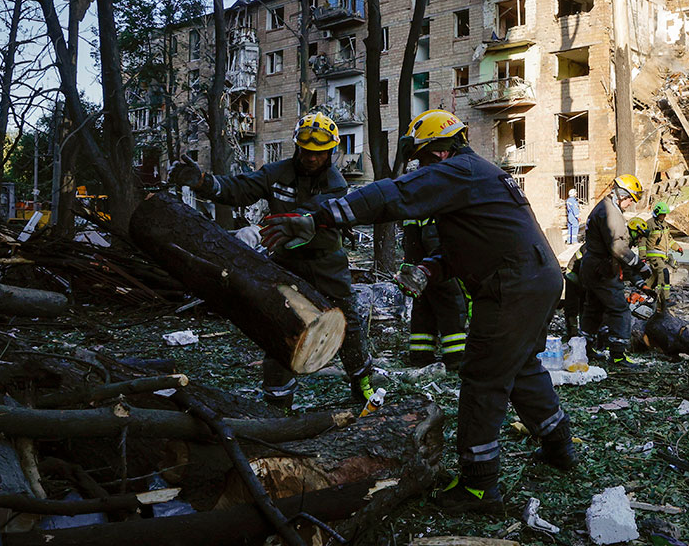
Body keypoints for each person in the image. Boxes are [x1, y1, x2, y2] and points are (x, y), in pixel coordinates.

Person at [259, 109, 573, 514]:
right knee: (520, 366)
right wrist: (430, 267)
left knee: (483, 378)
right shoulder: (476, 175)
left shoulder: (456, 169)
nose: (420, 169)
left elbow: (396, 193)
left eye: (422, 160)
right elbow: (472, 241)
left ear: (437, 154)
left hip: (512, 285)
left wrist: (320, 216)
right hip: (536, 277)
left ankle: (479, 488)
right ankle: (559, 444)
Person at [169, 112, 374, 407]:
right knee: (281, 324)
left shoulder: (336, 183)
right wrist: (204, 182)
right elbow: (240, 189)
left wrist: (297, 220)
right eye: (306, 151)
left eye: (319, 153)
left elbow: (317, 209)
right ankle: (278, 399)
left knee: (348, 322)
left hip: (326, 262)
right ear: (297, 147)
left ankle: (362, 382)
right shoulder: (276, 173)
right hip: (287, 262)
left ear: (331, 151)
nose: (312, 158)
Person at [579, 174, 645, 370]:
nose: (630, 204)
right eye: (630, 200)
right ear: (622, 195)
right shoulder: (611, 213)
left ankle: (585, 350)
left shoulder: (603, 206)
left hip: (591, 266)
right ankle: (618, 356)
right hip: (602, 268)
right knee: (619, 309)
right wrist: (638, 264)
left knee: (594, 308)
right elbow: (617, 247)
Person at [402, 216, 469, 372]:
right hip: (434, 231)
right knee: (451, 298)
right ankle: (456, 356)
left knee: (423, 301)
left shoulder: (412, 193)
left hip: (415, 238)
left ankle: (421, 354)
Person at [643, 202, 684, 306]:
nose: (664, 216)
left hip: (662, 255)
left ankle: (644, 292)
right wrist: (642, 256)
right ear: (657, 213)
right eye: (662, 214)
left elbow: (669, 239)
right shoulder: (649, 224)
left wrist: (677, 247)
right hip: (653, 255)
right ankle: (664, 299)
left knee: (655, 277)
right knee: (663, 272)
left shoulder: (664, 225)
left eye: (664, 214)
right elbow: (642, 241)